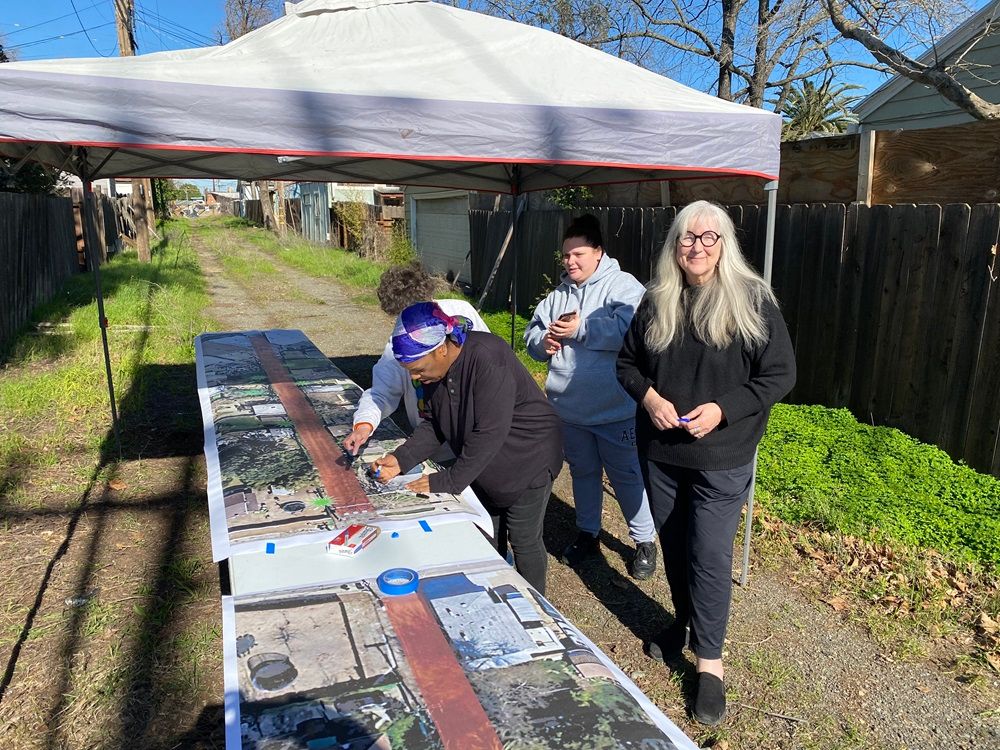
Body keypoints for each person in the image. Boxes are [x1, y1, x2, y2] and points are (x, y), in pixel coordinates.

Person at [616, 200, 795, 726]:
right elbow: (627, 365)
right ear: (675, 245)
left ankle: (710, 665)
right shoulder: (656, 300)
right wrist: (649, 399)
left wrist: (722, 410)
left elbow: (779, 375)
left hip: (723, 455)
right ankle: (684, 623)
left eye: (708, 237)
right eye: (686, 238)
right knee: (673, 544)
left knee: (710, 556)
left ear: (725, 244)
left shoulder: (751, 300)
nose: (696, 247)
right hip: (663, 453)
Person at [372, 302, 562, 593]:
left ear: (441, 349)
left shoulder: (488, 357)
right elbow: (436, 423)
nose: (414, 377)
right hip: (485, 464)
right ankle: (496, 591)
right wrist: (401, 459)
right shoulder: (435, 373)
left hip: (528, 458)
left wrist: (446, 481)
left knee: (524, 540)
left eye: (417, 369)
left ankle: (537, 605)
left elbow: (489, 432)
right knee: (488, 531)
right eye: (409, 371)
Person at [525, 214, 657, 580]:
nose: (570, 262)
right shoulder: (558, 294)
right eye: (566, 255)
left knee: (627, 476)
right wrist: (543, 342)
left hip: (615, 408)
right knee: (583, 473)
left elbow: (635, 330)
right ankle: (588, 533)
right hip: (569, 410)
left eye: (578, 253)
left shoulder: (622, 285)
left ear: (599, 252)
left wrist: (582, 328)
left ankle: (645, 541)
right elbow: (532, 334)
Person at [343, 263, 488, 455]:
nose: (407, 326)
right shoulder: (400, 344)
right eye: (404, 319)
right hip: (435, 448)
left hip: (481, 441)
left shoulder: (463, 313)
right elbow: (381, 391)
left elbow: (491, 365)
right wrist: (364, 424)